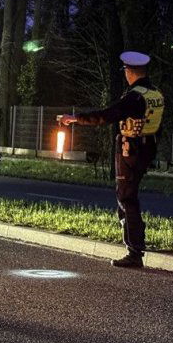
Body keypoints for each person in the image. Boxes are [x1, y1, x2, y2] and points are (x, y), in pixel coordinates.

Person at [59, 51, 165, 268]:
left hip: (130, 151)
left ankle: (134, 251)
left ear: (130, 71)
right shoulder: (154, 94)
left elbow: (107, 115)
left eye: (126, 71)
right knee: (129, 196)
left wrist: (75, 119)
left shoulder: (134, 97)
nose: (125, 74)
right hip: (146, 150)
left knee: (126, 199)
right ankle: (135, 246)